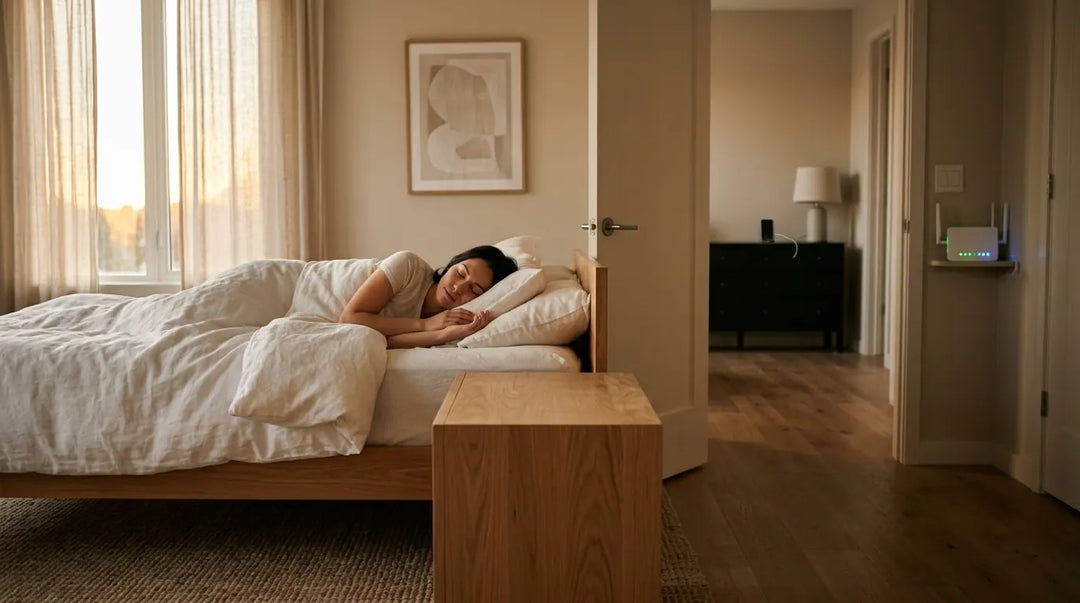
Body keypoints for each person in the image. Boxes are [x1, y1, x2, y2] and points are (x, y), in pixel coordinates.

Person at [340, 245, 517, 348]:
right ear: (452, 264)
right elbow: (349, 319)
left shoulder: (453, 319)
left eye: (474, 290)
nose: (458, 288)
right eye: (460, 273)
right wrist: (425, 324)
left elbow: (388, 342)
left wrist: (444, 334)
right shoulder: (408, 265)